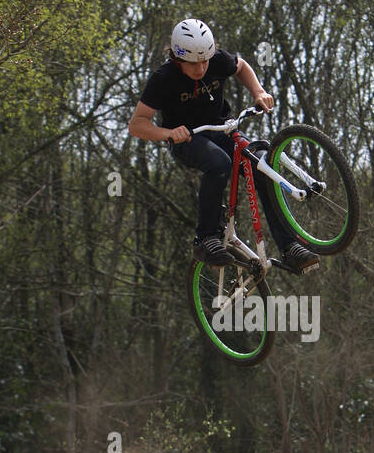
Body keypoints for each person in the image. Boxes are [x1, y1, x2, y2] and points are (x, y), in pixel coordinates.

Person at [128, 18, 320, 271]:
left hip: (222, 130)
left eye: (205, 61)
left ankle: (290, 247)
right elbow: (137, 124)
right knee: (219, 163)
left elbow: (241, 67)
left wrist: (258, 91)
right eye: (193, 64)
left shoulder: (217, 60)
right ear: (177, 59)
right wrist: (168, 133)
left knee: (262, 166)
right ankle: (206, 238)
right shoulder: (163, 78)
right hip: (189, 139)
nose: (200, 69)